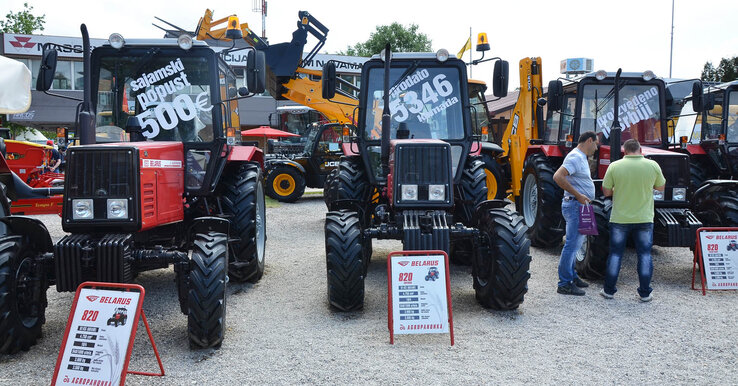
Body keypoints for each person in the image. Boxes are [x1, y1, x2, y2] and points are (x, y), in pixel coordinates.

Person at [600, 139, 665, 302]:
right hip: (644, 218)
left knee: (615, 254)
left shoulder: (615, 166)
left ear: (625, 151)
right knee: (644, 254)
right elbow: (661, 187)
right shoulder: (652, 165)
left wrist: (619, 188)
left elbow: (607, 192)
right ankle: (644, 293)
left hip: (620, 218)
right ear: (640, 149)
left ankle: (609, 291)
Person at [553, 131, 599, 296]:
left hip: (579, 206)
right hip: (575, 205)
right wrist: (578, 195)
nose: (596, 147)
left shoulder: (580, 157)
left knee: (576, 244)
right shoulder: (575, 157)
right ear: (589, 140)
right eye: (595, 143)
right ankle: (564, 283)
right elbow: (558, 176)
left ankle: (572, 276)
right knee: (571, 245)